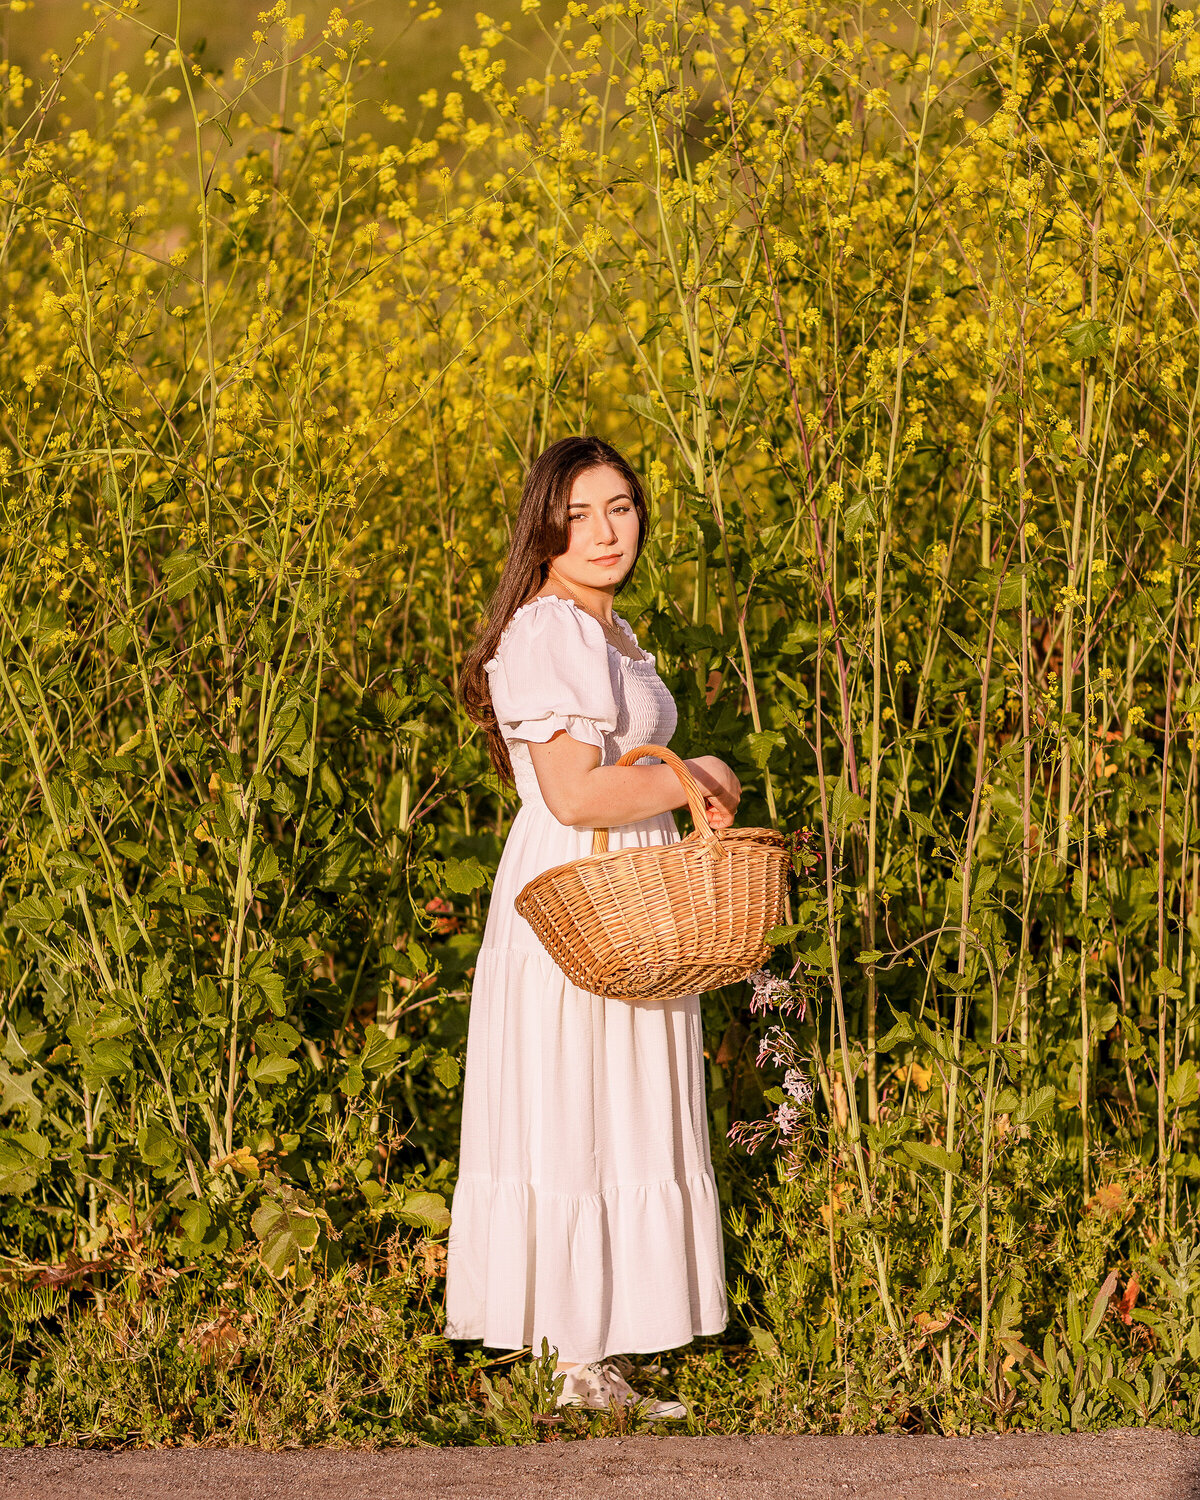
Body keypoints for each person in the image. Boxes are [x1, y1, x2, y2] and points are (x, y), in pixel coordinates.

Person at [445, 435, 742, 1418]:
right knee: (574, 1101)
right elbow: (573, 795)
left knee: (620, 1102)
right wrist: (687, 777)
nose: (607, 531)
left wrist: (686, 778)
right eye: (580, 515)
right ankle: (573, 1356)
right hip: (581, 891)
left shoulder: (608, 632)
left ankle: (601, 1352)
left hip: (629, 889)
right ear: (544, 527)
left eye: (620, 507)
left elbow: (621, 772)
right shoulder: (555, 632)